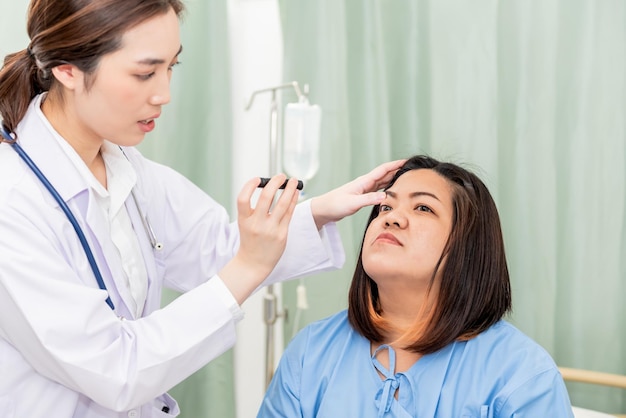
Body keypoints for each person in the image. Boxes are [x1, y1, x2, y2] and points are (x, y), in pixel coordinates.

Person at [0, 1, 405, 417]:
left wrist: (320, 210)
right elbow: (115, 370)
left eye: (171, 67)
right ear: (67, 69)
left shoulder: (124, 166)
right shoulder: (12, 203)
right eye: (144, 73)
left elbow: (215, 250)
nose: (164, 94)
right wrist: (248, 266)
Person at [258, 155, 575, 417]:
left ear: (467, 245)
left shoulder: (521, 376)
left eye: (423, 208)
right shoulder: (311, 352)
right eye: (385, 206)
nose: (392, 218)